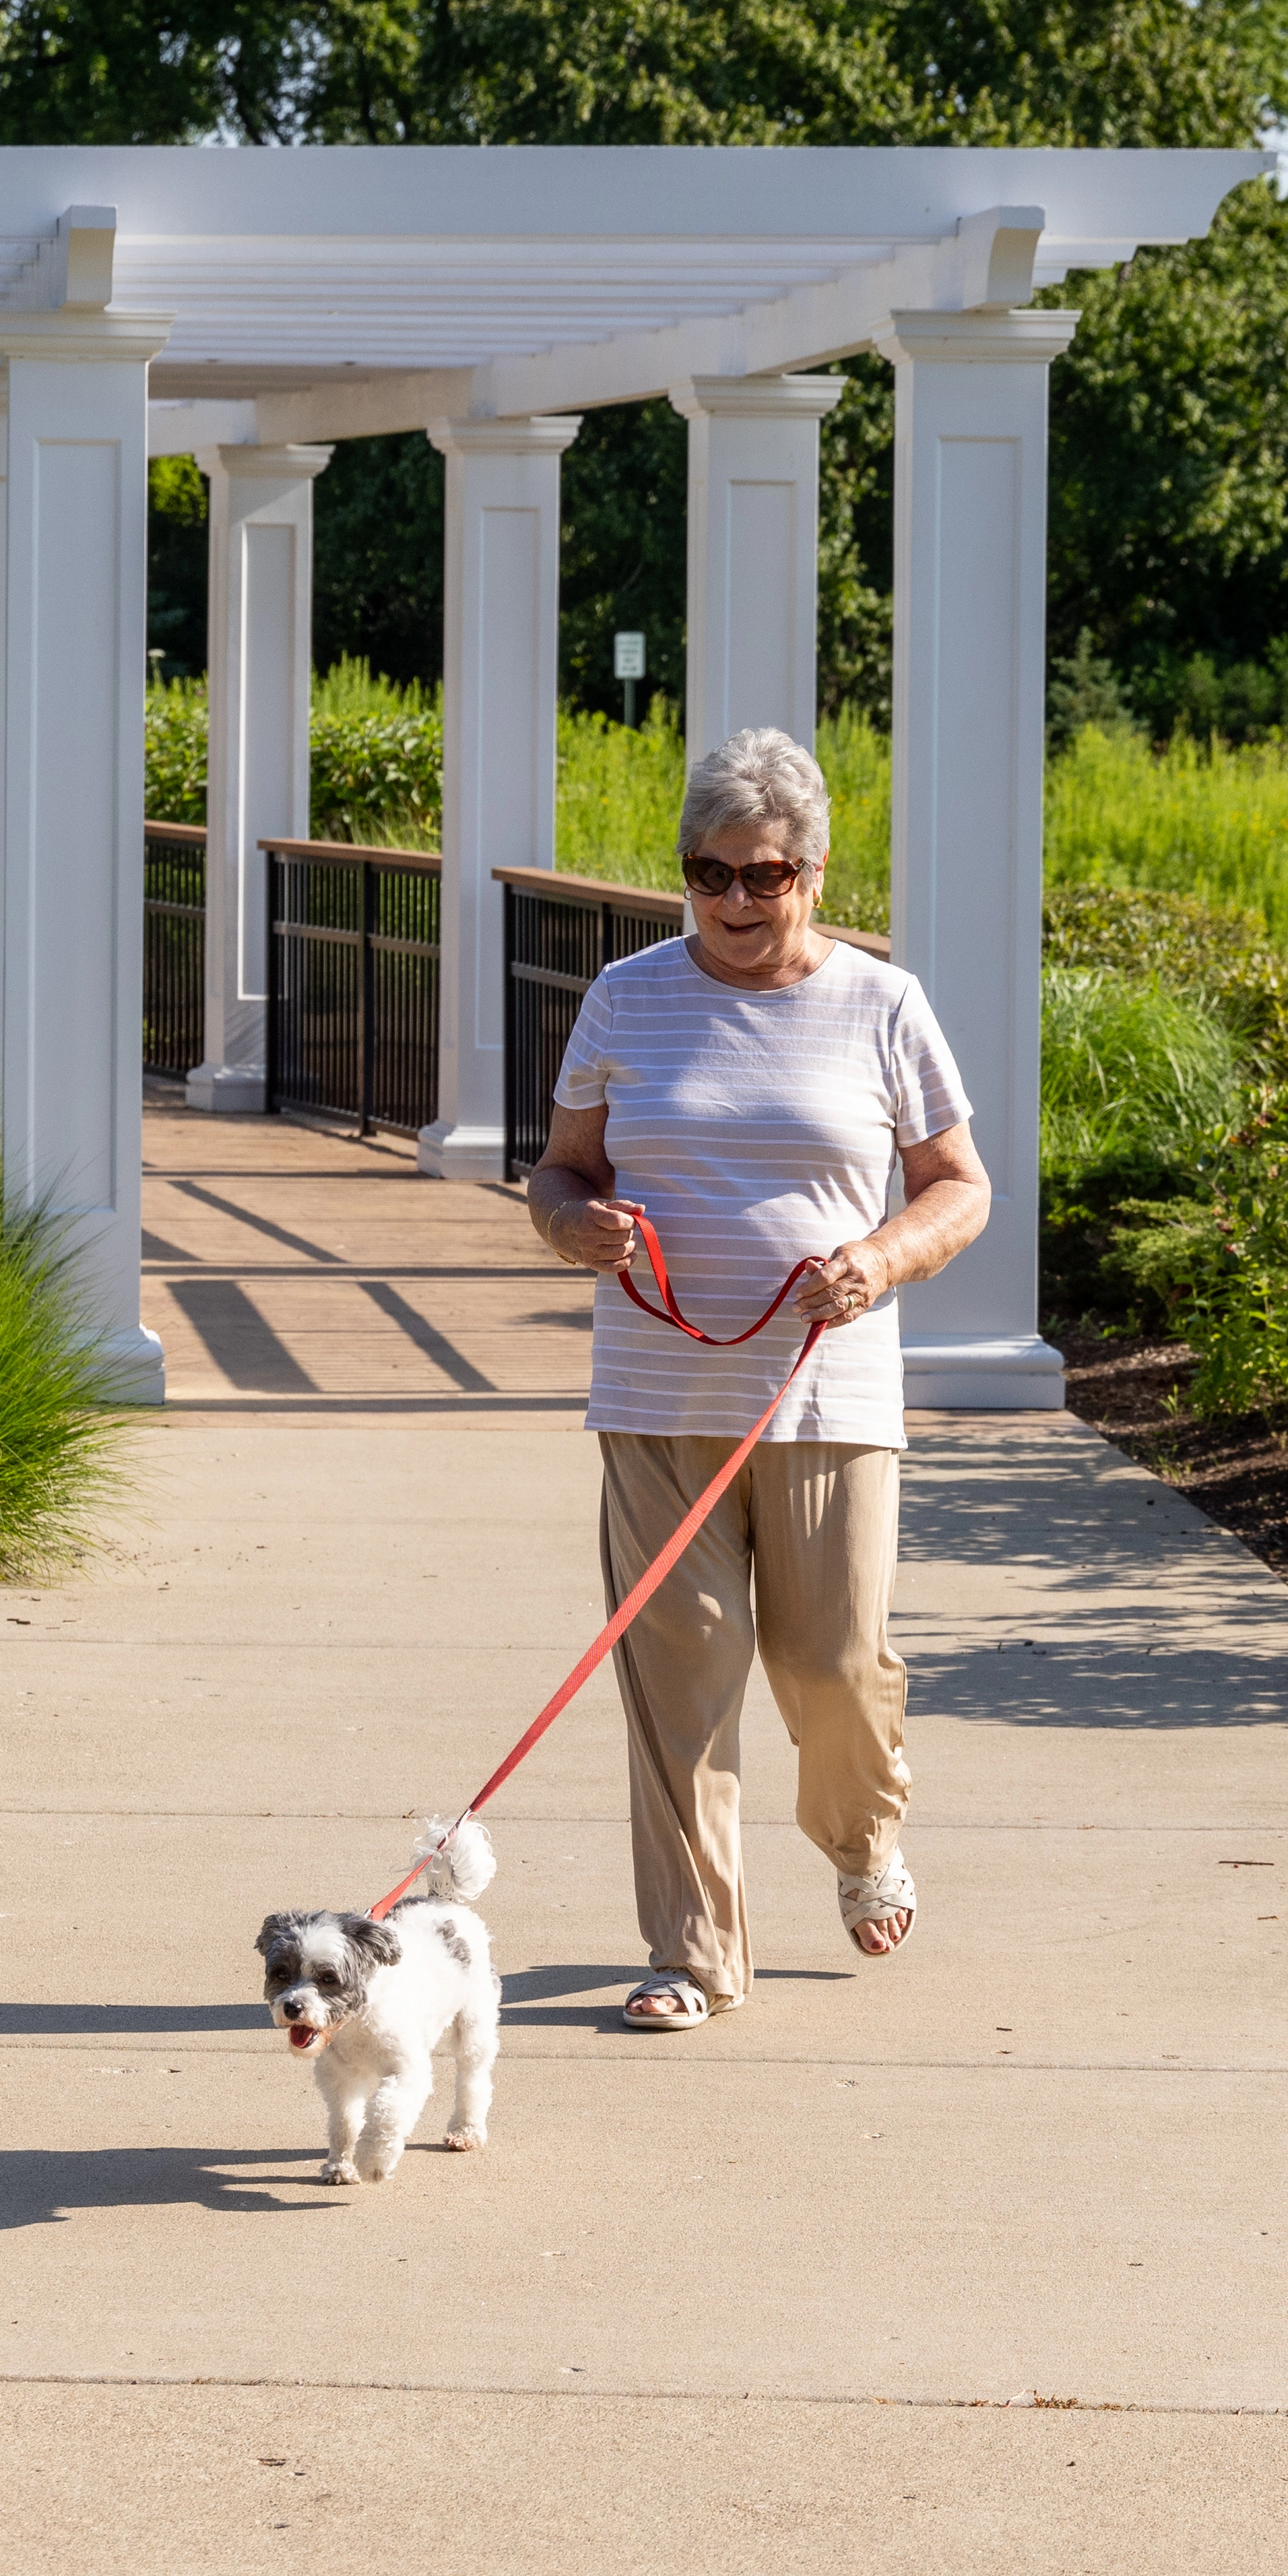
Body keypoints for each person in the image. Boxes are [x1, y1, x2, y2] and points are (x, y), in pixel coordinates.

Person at [521, 724, 992, 2030]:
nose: (733, 900)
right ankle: (690, 1952)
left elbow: (960, 1187)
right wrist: (573, 1224)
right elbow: (561, 1170)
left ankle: (861, 1837)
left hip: (826, 1391)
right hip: (657, 1389)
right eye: (708, 871)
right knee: (678, 1676)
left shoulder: (882, 1003)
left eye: (765, 874)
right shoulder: (625, 995)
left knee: (833, 1663)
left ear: (817, 872)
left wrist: (881, 1259)